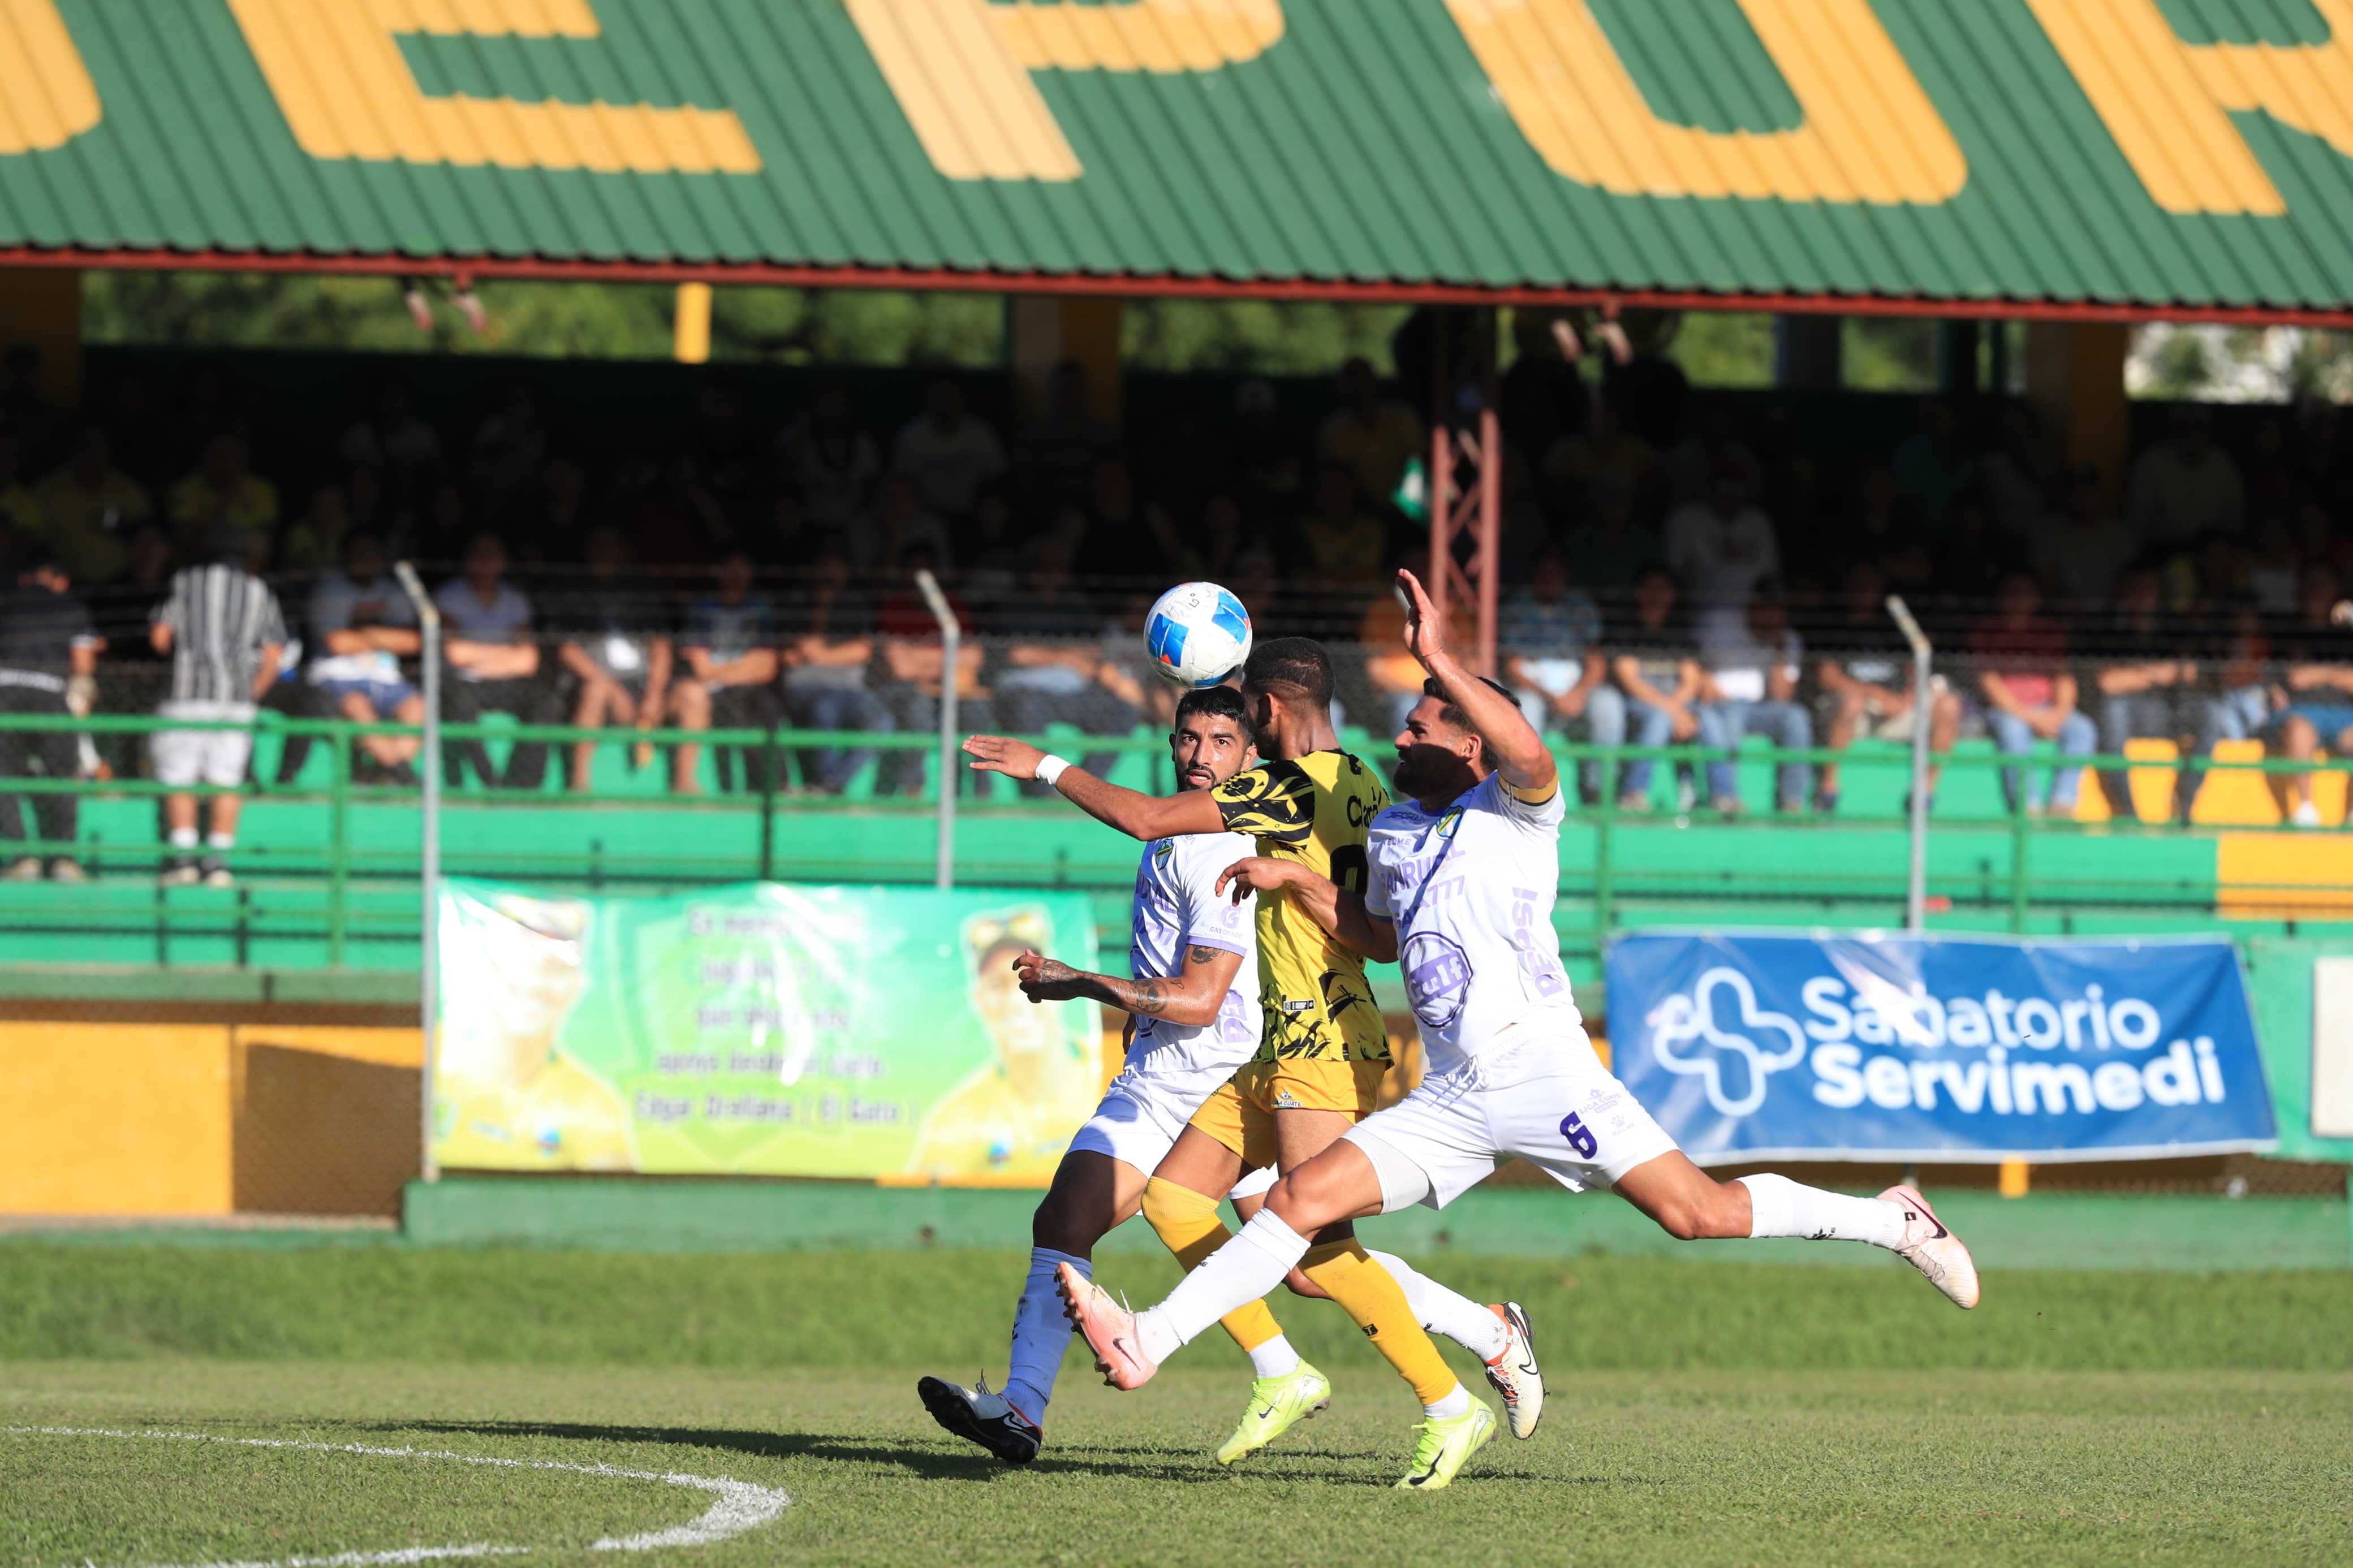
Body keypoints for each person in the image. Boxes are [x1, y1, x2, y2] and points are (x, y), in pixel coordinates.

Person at [1054, 568, 1979, 1492]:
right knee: (1299, 1203)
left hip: (1543, 1072)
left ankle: (1891, 1219)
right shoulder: (1397, 832)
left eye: (1420, 725)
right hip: (1452, 1094)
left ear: (1468, 741)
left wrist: (1441, 658)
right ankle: (1149, 1339)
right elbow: (1377, 937)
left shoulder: (1519, 809)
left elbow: (1528, 749)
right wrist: (1300, 883)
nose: (1401, 734)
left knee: (1697, 1213)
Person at [962, 638, 1545, 1458]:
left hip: (1322, 1038)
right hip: (1282, 1041)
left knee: (1316, 1248)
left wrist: (1045, 765)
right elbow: (1375, 939)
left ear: (1267, 713)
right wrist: (1303, 885)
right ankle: (1288, 1366)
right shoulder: (1366, 784)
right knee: (1180, 1203)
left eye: (1242, 725)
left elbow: (1144, 818)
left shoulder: (1281, 788)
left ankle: (1454, 1391)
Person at [918, 687, 1271, 1463]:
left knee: (1310, 1255)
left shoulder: (1216, 846)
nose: (1201, 756)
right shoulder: (1176, 839)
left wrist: (1082, 982)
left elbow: (1203, 1001)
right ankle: (1021, 1411)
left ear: (1251, 757)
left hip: (1217, 1075)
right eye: (1188, 739)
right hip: (1162, 1070)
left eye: (1221, 742)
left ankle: (1478, 1332)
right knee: (1066, 1220)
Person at [149, 528, 286, 887]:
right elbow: (275, 653)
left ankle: (183, 860)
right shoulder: (259, 591)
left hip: (185, 695)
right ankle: (217, 864)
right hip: (235, 701)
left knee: (179, 778)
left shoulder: (184, 581)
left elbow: (160, 638)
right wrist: (252, 691)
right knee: (226, 781)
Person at [1813, 561, 1959, 813]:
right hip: (1855, 710)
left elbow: (1917, 668)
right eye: (1859, 584)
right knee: (1852, 702)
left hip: (1899, 708)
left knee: (1950, 705)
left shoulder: (1895, 625)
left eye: (1870, 584)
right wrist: (1876, 693)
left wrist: (1907, 698)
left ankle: (1924, 792)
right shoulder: (1834, 624)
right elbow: (1828, 677)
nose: (1865, 590)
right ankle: (1828, 787)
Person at [554, 528, 675, 794]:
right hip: (596, 683)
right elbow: (566, 649)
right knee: (596, 691)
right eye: (598, 547)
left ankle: (683, 784)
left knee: (692, 696)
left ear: (622, 551)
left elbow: (662, 646)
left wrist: (654, 695)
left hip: (642, 683)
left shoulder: (639, 588)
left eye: (610, 547)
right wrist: (611, 687)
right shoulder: (573, 590)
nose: (604, 554)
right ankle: (579, 781)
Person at [0, 552, 97, 880]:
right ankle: (65, 860)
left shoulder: (7, 601)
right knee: (62, 776)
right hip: (51, 693)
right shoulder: (71, 606)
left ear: (25, 578)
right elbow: (83, 664)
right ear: (61, 581)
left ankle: (21, 858)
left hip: (4, 692)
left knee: (4, 778)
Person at [435, 532, 555, 792]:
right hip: (462, 684)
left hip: (505, 682)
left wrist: (477, 658)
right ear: (468, 560)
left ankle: (525, 785)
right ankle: (490, 781)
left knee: (546, 701)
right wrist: (506, 656)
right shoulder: (449, 596)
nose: (486, 561)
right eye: (479, 554)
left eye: (493, 554)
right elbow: (454, 654)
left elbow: (529, 660)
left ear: (504, 561)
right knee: (459, 703)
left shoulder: (515, 599)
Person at [1501, 550, 1622, 804]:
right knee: (1524, 705)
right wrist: (1550, 696)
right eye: (1544, 574)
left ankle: (1598, 790)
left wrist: (1578, 693)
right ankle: (1528, 790)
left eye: (1555, 574)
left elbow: (1596, 661)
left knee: (1608, 702)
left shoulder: (1581, 607)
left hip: (1576, 692)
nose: (1549, 580)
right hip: (1534, 691)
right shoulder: (1517, 608)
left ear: (1566, 576)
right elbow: (1512, 665)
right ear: (1533, 576)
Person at [1971, 571, 2095, 816]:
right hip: (2007, 711)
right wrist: (2031, 718)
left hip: (2047, 708)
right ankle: (2028, 806)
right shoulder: (1986, 631)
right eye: (2013, 593)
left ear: (2037, 598)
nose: (2019, 599)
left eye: (2025, 593)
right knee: (2012, 729)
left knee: (2083, 728)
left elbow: (2063, 676)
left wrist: (2059, 714)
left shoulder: (2049, 630)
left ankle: (2063, 803)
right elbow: (1990, 684)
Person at [306, 532, 424, 783]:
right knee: (357, 705)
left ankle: (389, 771)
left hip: (386, 678)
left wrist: (363, 634)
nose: (365, 560)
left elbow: (413, 642)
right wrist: (386, 637)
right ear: (345, 558)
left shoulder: (392, 590)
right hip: (338, 678)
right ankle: (401, 773)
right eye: (358, 554)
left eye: (371, 554)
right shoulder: (330, 589)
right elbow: (337, 643)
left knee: (417, 708)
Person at [2091, 565, 2204, 822]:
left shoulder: (2174, 627)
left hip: (2170, 713)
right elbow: (2108, 683)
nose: (2142, 596)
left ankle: (2186, 803)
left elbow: (2191, 672)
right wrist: (2158, 673)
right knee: (2112, 709)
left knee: (2212, 712)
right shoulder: (2109, 630)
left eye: (2149, 589)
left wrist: (2136, 676)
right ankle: (2128, 811)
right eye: (2135, 589)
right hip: (2126, 717)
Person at [780, 547, 890, 794]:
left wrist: (820, 655)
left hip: (851, 691)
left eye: (836, 567)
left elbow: (862, 650)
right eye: (825, 566)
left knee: (883, 722)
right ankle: (826, 779)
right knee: (825, 707)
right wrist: (822, 611)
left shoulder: (856, 604)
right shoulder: (796, 601)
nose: (830, 573)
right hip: (806, 688)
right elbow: (792, 652)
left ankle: (832, 784)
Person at [673, 549, 781, 795]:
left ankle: (769, 787)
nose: (737, 576)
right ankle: (685, 782)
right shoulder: (702, 607)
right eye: (731, 568)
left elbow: (768, 667)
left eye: (743, 568)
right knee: (695, 695)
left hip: (746, 689)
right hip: (709, 690)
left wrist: (724, 671)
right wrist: (744, 665)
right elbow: (700, 667)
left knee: (765, 708)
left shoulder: (762, 609)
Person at [1697, 587, 1813, 814]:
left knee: (1796, 716)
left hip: (1761, 711)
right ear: (1751, 607)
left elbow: (1782, 697)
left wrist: (1779, 648)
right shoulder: (1720, 626)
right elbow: (1697, 668)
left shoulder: (1789, 640)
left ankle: (1792, 802)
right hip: (1721, 704)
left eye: (1776, 610)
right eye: (1764, 608)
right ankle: (1727, 798)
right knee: (1734, 712)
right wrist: (1711, 689)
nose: (1769, 615)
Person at [1609, 565, 1705, 810]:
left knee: (1710, 719)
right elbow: (1631, 682)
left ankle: (1723, 798)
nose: (1657, 595)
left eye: (1663, 589)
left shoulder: (1680, 630)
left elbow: (1692, 680)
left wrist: (1676, 709)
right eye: (1650, 589)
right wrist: (1673, 711)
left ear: (1673, 594)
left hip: (1679, 705)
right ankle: (1633, 795)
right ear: (1639, 593)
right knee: (1660, 719)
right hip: (1638, 705)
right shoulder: (1626, 629)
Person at [2266, 563, 2353, 828]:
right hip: (2301, 712)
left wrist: (2317, 673)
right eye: (2311, 584)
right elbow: (2295, 678)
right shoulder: (2287, 629)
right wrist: (2336, 673)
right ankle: (2306, 810)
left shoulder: (2347, 632)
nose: (2317, 591)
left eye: (2324, 584)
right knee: (2299, 731)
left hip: (2345, 715)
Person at [1662, 455, 1780, 640]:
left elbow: (1771, 579)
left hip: (1753, 626)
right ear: (1710, 488)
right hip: (1701, 621)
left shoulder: (1759, 522)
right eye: (1724, 488)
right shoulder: (1684, 520)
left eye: (1737, 489)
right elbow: (1670, 578)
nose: (1730, 496)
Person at [29, 426, 148, 585]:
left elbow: (150, 540)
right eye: (84, 446)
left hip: (122, 585)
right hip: (65, 585)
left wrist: (128, 528)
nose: (91, 454)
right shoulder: (49, 492)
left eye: (98, 447)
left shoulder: (127, 489)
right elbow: (33, 546)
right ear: (71, 450)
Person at [2129, 405, 2244, 556]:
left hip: (2212, 559)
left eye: (2198, 428)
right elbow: (2136, 524)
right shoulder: (2151, 466)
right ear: (2173, 431)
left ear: (2207, 432)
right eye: (2184, 428)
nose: (2192, 436)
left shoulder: (2223, 467)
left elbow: (2236, 520)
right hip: (2164, 556)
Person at [893, 372, 1003, 522]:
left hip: (973, 517)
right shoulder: (912, 437)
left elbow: (994, 477)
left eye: (951, 397)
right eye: (938, 398)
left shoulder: (981, 435)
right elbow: (902, 483)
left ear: (963, 400)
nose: (944, 404)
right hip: (923, 516)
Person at [1317, 357, 1423, 509]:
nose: (1358, 390)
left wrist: (1402, 507)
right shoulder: (1334, 431)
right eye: (1351, 385)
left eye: (1363, 383)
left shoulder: (1405, 419)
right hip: (1361, 513)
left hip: (1410, 510)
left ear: (1375, 384)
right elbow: (1340, 479)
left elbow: (1418, 466)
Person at [167, 430, 277, 560]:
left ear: (243, 458)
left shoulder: (261, 490)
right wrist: (221, 507)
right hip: (200, 566)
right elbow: (186, 546)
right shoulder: (185, 490)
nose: (225, 462)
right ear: (205, 457)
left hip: (245, 566)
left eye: (232, 455)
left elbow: (266, 543)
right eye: (218, 454)